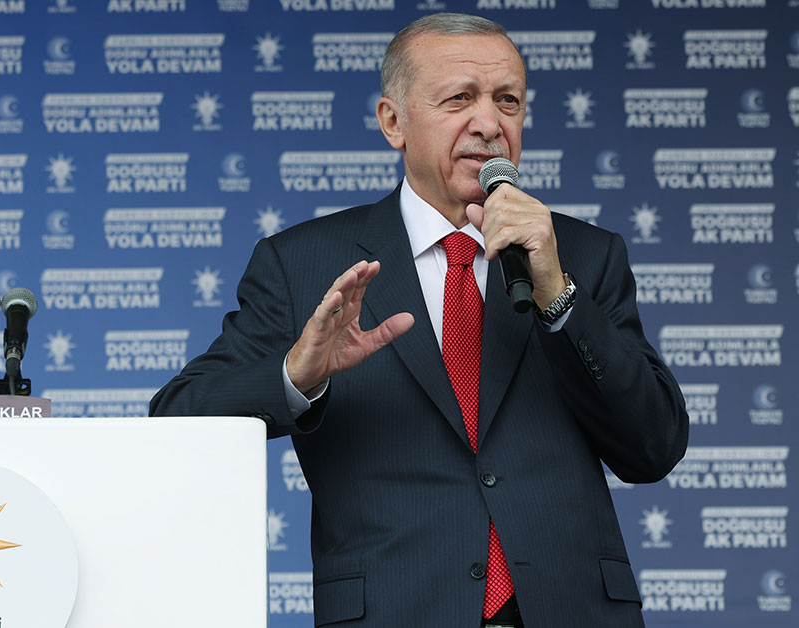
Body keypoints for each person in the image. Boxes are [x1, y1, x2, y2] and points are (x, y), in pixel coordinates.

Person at [149, 12, 688, 628]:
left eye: (508, 100)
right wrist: (297, 374)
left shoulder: (585, 256)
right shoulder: (301, 264)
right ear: (393, 122)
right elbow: (175, 419)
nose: (489, 123)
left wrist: (559, 297)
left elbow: (654, 447)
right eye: (460, 98)